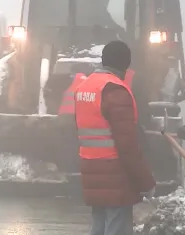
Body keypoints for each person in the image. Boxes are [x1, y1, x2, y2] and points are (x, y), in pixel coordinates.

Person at [74, 40, 156, 235]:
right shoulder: (115, 90)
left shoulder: (86, 86)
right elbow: (127, 146)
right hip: (114, 172)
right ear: (125, 65)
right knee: (116, 225)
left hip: (91, 168)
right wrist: (145, 183)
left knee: (99, 224)